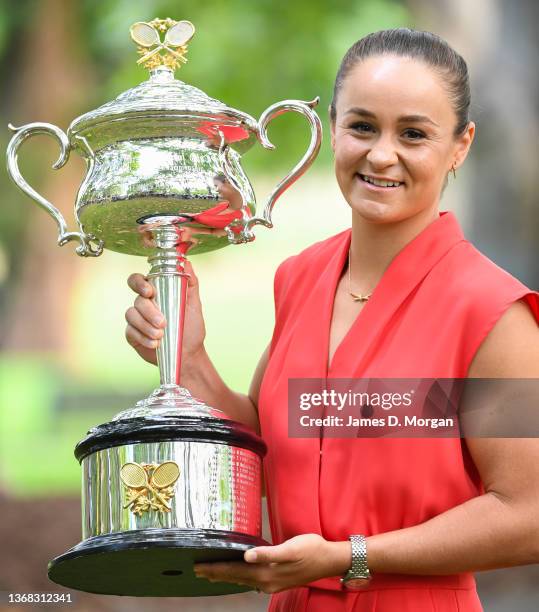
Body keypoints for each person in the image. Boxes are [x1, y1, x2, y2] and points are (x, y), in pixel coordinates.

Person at [124, 28, 539, 612]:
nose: (381, 154)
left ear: (460, 145)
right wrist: (189, 358)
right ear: (335, 127)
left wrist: (351, 557)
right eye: (362, 126)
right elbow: (276, 440)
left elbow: (529, 515)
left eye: (413, 134)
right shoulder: (301, 278)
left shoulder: (491, 311)